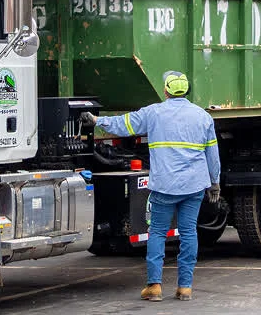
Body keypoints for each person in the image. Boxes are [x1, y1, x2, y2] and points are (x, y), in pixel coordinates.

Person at [82, 70, 220, 301]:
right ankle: (185, 287)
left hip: (164, 186)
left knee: (157, 233)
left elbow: (123, 124)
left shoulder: (154, 113)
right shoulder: (203, 117)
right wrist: (214, 182)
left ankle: (154, 287)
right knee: (188, 233)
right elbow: (212, 155)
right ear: (186, 90)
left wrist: (96, 120)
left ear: (166, 91)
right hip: (194, 186)